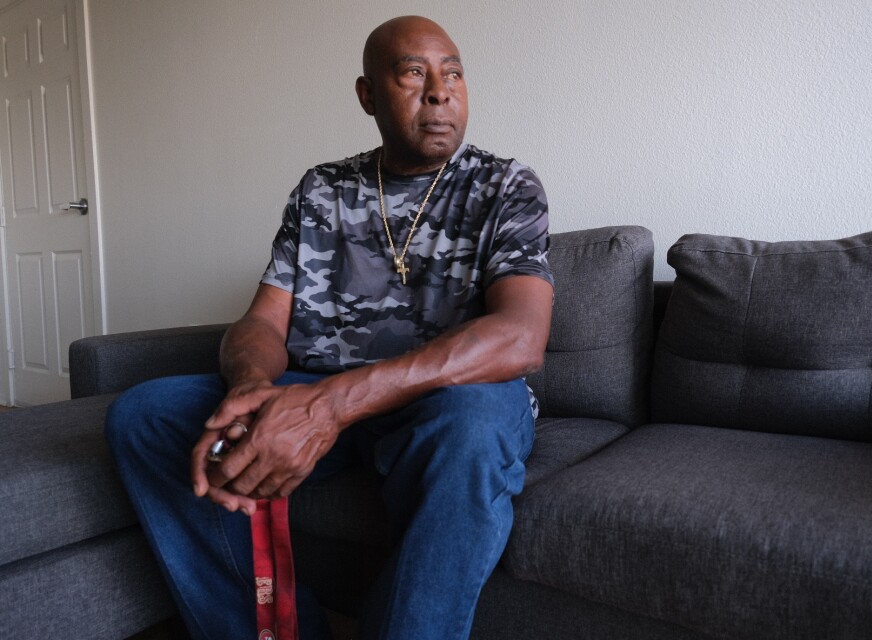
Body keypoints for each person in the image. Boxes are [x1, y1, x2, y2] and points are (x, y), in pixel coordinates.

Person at [105, 15, 553, 640]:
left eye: (453, 73)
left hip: (443, 404)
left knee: (474, 427)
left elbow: (520, 336)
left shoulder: (505, 185)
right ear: (368, 94)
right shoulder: (323, 189)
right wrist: (250, 387)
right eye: (414, 74)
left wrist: (331, 405)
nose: (441, 91)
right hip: (313, 388)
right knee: (145, 414)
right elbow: (263, 320)